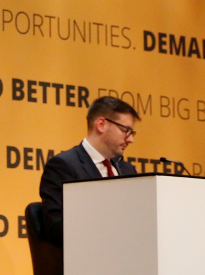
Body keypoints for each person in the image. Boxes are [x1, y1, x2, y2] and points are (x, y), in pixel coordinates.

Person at [38, 96, 140, 247]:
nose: (130, 139)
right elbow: (56, 227)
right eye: (125, 130)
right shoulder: (63, 166)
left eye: (131, 133)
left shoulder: (128, 170)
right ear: (101, 125)